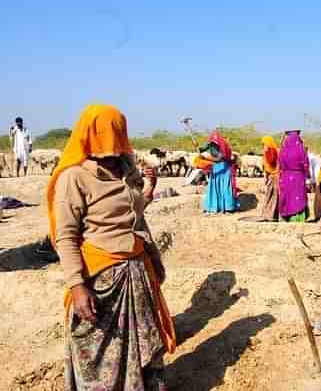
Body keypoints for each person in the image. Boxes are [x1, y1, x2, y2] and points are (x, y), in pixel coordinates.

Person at [48, 104, 175, 390]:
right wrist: (77, 286)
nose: (111, 140)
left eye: (115, 131)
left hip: (136, 275)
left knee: (144, 348)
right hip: (99, 282)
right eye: (105, 132)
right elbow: (66, 237)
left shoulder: (128, 169)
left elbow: (133, 214)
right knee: (100, 356)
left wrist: (147, 191)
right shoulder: (74, 177)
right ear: (90, 134)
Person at [200, 131, 239, 214]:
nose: (213, 143)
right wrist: (199, 149)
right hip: (216, 168)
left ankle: (228, 207)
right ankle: (213, 207)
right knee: (215, 187)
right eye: (212, 141)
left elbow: (219, 158)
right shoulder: (210, 144)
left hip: (224, 168)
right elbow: (202, 149)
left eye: (214, 142)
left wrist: (207, 157)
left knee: (225, 187)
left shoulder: (223, 146)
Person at [278, 131, 310, 222]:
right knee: (297, 200)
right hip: (297, 178)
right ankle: (297, 220)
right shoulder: (300, 148)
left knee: (287, 198)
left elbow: (280, 163)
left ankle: (285, 218)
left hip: (285, 177)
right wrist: (307, 176)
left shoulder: (283, 149)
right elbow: (305, 164)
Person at [260, 136, 279, 221]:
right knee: (272, 196)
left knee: (272, 196)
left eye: (265, 144)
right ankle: (269, 213)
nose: (264, 146)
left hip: (274, 177)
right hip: (274, 176)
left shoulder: (271, 152)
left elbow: (270, 163)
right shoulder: (275, 151)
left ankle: (270, 214)